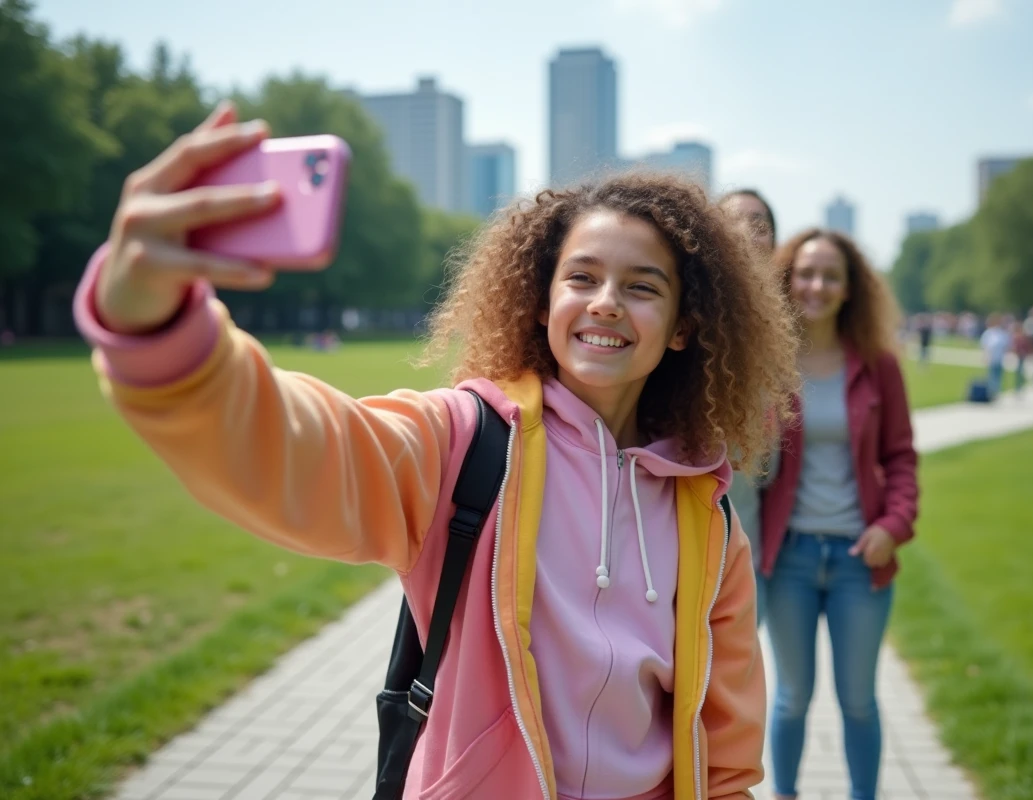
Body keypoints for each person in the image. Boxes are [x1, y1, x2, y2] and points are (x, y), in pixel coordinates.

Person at [71, 103, 802, 800]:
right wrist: (162, 331)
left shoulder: (708, 516)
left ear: (681, 327)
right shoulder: (466, 443)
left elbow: (727, 755)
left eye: (642, 287)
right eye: (581, 277)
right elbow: (301, 449)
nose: (606, 301)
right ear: (542, 301)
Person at [758, 228, 919, 800]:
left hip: (859, 558)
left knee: (857, 700)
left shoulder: (877, 366)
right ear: (787, 278)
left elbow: (900, 456)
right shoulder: (770, 363)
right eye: (805, 272)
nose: (816, 285)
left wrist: (892, 526)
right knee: (792, 697)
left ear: (850, 289)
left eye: (830, 275)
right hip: (791, 558)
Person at [719, 188, 785, 625]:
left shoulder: (781, 330)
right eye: (732, 221)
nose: (746, 232)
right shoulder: (677, 313)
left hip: (746, 546)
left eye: (759, 224)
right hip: (673, 549)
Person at [980, 313, 1011, 398]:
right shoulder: (989, 333)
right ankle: (991, 393)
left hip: (999, 358)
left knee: (998, 376)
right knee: (991, 376)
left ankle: (996, 392)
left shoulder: (1002, 333)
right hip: (991, 358)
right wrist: (985, 356)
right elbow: (985, 346)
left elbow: (1006, 347)